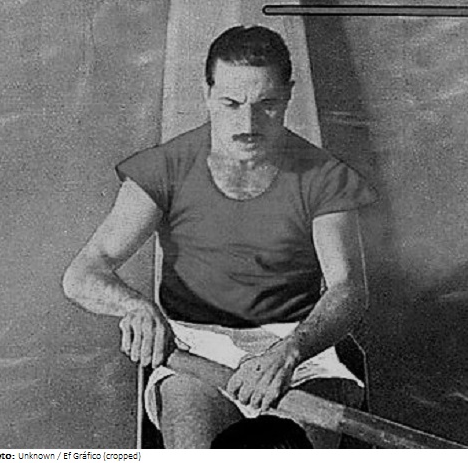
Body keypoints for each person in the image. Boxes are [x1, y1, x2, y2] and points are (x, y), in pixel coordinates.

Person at [62, 25, 377, 448]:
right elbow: (83, 273)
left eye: (267, 104)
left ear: (289, 95)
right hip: (195, 349)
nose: (247, 124)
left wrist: (289, 352)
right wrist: (135, 306)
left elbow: (349, 288)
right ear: (207, 94)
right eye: (231, 103)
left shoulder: (326, 177)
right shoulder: (164, 168)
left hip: (297, 346)